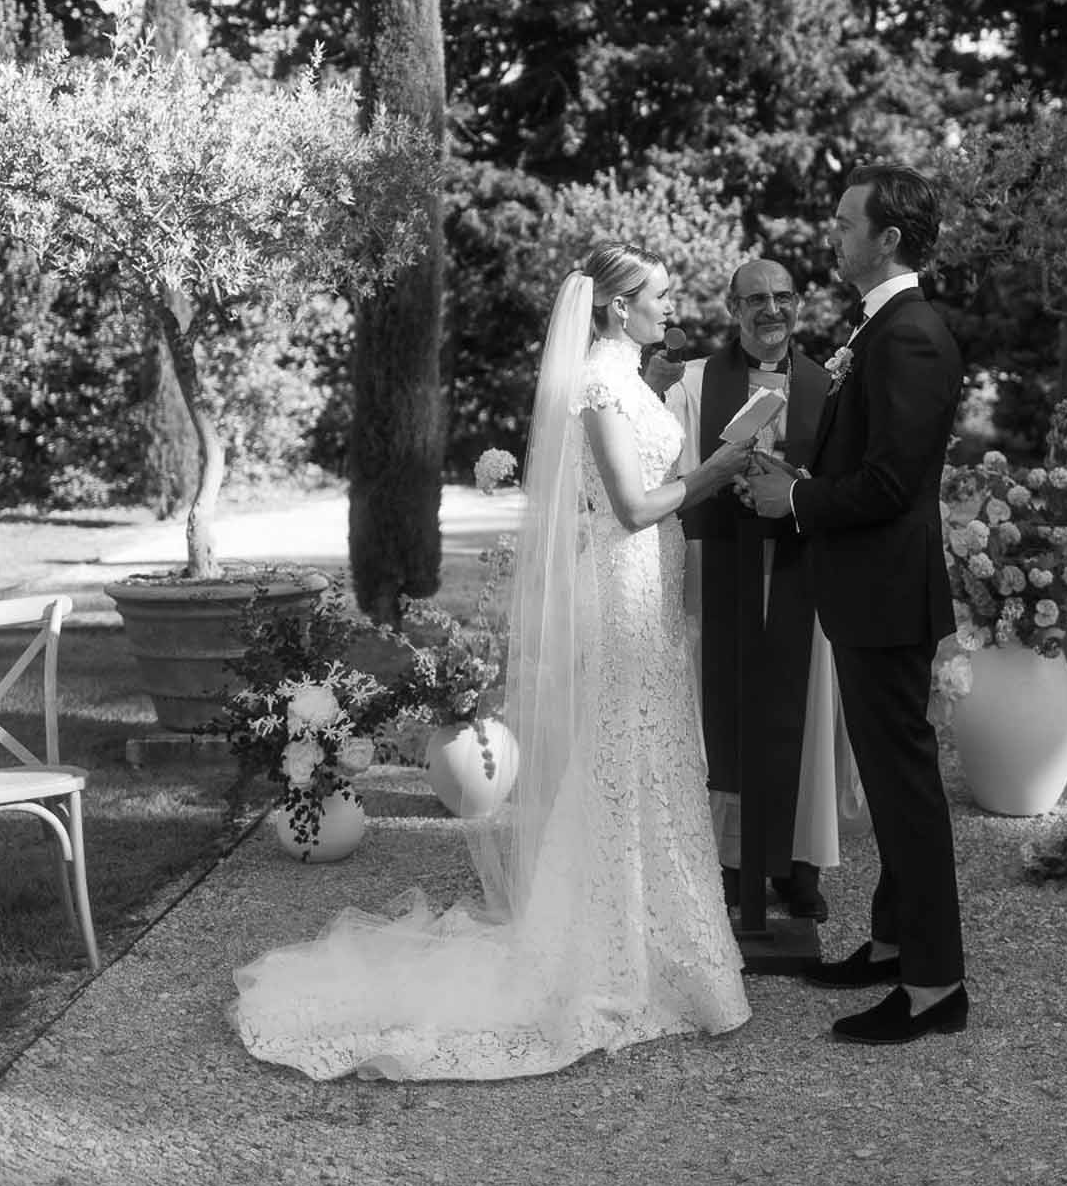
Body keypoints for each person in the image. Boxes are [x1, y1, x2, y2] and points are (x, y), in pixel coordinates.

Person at [232, 244, 754, 1081]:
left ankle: (664, 945)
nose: (673, 309)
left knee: (648, 756)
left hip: (648, 591)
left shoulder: (632, 378)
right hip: (619, 590)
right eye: (661, 296)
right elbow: (630, 508)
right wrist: (719, 469)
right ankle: (611, 951)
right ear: (619, 307)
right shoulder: (595, 384)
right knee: (624, 756)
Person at [750, 165, 968, 1046]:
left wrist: (796, 505)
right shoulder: (878, 328)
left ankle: (934, 985)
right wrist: (802, 480)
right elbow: (868, 465)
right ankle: (888, 942)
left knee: (903, 787)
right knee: (887, 781)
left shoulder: (909, 335)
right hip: (866, 591)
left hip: (884, 596)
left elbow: (892, 483)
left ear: (888, 237)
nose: (831, 235)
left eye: (846, 223)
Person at [663, 260, 848, 920]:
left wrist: (789, 491)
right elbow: (667, 466)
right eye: (756, 299)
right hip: (719, 570)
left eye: (782, 296)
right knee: (724, 716)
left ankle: (796, 865)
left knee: (802, 717)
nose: (771, 309)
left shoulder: (828, 387)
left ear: (797, 303)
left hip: (799, 571)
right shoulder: (691, 384)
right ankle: (728, 860)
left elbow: (841, 480)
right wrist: (725, 479)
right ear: (732, 307)